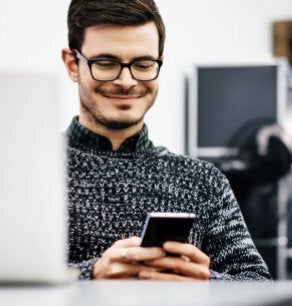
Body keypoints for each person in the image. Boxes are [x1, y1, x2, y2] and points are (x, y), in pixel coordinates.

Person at [60, 0, 271, 281]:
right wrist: (91, 275)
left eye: (143, 64)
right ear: (73, 64)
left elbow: (259, 286)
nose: (126, 81)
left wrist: (207, 283)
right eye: (106, 63)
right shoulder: (26, 175)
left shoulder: (203, 182)